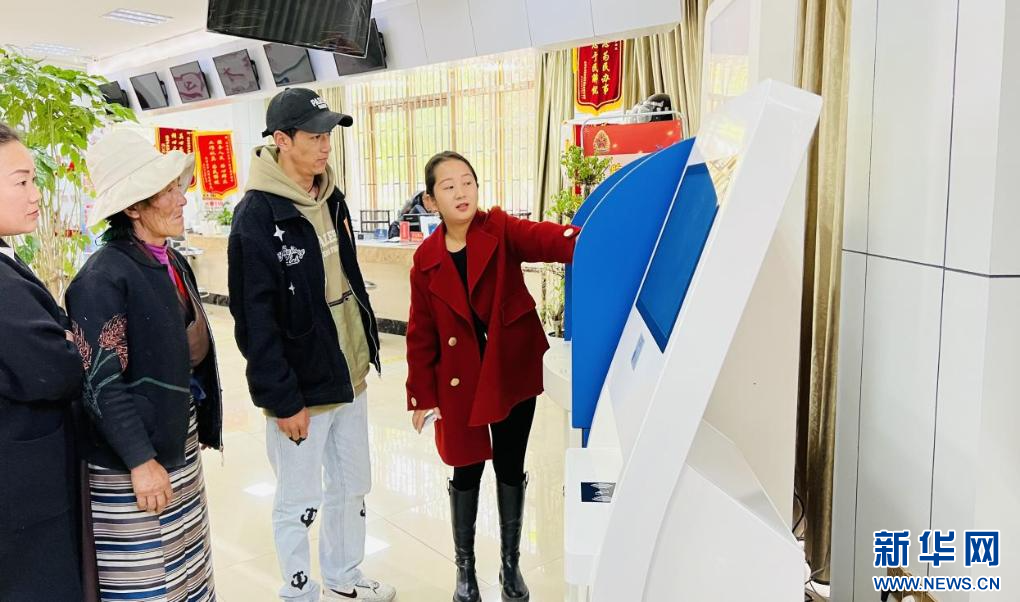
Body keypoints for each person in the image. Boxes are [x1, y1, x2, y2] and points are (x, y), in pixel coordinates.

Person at [228, 88, 395, 602]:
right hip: (300, 389)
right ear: (281, 140)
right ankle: (299, 592)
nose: (326, 146)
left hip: (349, 372)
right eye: (314, 136)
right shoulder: (256, 215)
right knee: (299, 500)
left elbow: (348, 278)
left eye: (329, 135)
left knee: (352, 485)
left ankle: (345, 577)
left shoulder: (332, 198)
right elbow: (254, 320)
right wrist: (282, 399)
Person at [405, 151, 580, 602]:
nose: (461, 192)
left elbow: (548, 239)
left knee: (509, 464)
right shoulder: (425, 259)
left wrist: (596, 238)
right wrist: (422, 395)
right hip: (458, 381)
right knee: (465, 468)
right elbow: (420, 332)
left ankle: (510, 565)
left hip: (509, 373)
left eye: (468, 182)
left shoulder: (500, 229)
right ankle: (465, 571)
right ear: (431, 201)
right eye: (448, 186)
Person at [66, 128, 222, 602]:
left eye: (178, 187)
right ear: (133, 207)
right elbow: (100, 382)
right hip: (134, 456)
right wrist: (140, 460)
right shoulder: (102, 278)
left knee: (189, 564)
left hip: (176, 437)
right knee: (150, 579)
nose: (181, 199)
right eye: (167, 190)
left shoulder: (169, 260)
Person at [0, 123, 84, 601]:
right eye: (22, 181)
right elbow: (57, 369)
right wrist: (68, 341)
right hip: (22, 495)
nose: (35, 194)